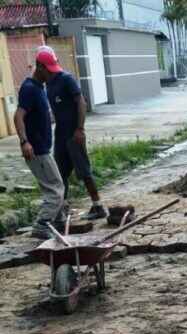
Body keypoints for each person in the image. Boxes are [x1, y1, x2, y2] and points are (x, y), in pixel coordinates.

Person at [36, 47, 107, 219]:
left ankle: (98, 207)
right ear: (40, 67)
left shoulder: (66, 79)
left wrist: (80, 129)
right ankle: (61, 209)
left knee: (83, 171)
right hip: (60, 133)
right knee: (60, 174)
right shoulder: (47, 85)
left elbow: (81, 102)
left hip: (74, 133)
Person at [14, 60, 65, 240]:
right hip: (36, 149)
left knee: (55, 185)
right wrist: (24, 141)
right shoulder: (29, 88)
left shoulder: (39, 87)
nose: (52, 75)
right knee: (56, 189)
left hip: (42, 147)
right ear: (40, 67)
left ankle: (57, 222)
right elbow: (18, 116)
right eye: (49, 71)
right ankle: (42, 225)